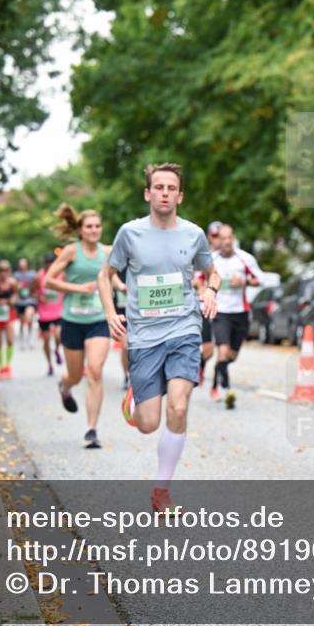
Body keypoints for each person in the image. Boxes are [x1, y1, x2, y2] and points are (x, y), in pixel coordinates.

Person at [99, 162, 219, 515]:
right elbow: (105, 275)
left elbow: (212, 272)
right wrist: (110, 312)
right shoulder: (130, 233)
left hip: (184, 329)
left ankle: (162, 491)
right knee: (148, 424)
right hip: (144, 336)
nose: (165, 193)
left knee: (178, 407)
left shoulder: (194, 234)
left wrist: (210, 290)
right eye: (159, 187)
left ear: (180, 196)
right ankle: (135, 397)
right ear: (147, 193)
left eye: (171, 188)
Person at [45, 204, 112, 449]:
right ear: (81, 230)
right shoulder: (71, 251)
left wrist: (123, 287)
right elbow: (49, 281)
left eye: (97, 226)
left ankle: (92, 429)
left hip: (99, 320)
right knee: (75, 374)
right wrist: (78, 288)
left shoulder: (108, 252)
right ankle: (65, 387)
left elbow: (114, 278)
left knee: (94, 370)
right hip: (73, 320)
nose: (94, 230)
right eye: (89, 226)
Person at [210, 223, 263, 409]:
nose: (226, 241)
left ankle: (215, 380)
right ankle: (227, 390)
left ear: (233, 238)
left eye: (229, 238)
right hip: (220, 312)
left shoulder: (244, 258)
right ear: (218, 240)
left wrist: (244, 281)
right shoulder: (211, 260)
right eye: (223, 238)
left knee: (231, 356)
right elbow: (197, 278)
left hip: (240, 313)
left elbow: (260, 279)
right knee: (223, 352)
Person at [196, 221, 223, 386]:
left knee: (224, 351)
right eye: (214, 236)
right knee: (208, 350)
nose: (218, 239)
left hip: (225, 311)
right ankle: (198, 367)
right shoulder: (203, 256)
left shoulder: (236, 257)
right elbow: (193, 279)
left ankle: (219, 385)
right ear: (209, 237)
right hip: (204, 308)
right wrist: (198, 285)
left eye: (220, 236)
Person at [36, 253, 64, 376]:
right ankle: (49, 365)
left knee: (59, 335)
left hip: (59, 311)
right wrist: (39, 297)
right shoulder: (39, 276)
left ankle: (57, 350)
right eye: (47, 264)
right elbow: (33, 292)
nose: (49, 266)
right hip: (44, 313)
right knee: (46, 340)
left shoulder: (62, 275)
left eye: (51, 264)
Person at [14, 257, 38, 350]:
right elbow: (13, 287)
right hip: (20, 301)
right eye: (21, 263)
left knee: (29, 318)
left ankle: (30, 339)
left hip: (30, 300)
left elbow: (37, 286)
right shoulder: (16, 275)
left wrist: (33, 290)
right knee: (22, 322)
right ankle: (22, 341)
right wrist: (17, 287)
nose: (22, 265)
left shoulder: (32, 274)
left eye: (24, 263)